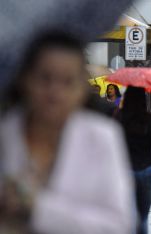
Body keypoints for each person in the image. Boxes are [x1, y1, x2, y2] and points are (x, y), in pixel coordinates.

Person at [0, 32, 135, 234]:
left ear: (82, 88)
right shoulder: (6, 133)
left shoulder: (101, 137)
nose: (55, 93)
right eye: (45, 78)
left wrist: (39, 209)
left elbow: (119, 224)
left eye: (68, 82)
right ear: (25, 79)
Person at [117, 86, 151, 234]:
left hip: (122, 171)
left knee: (127, 216)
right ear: (143, 100)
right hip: (146, 171)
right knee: (142, 217)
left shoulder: (117, 117)